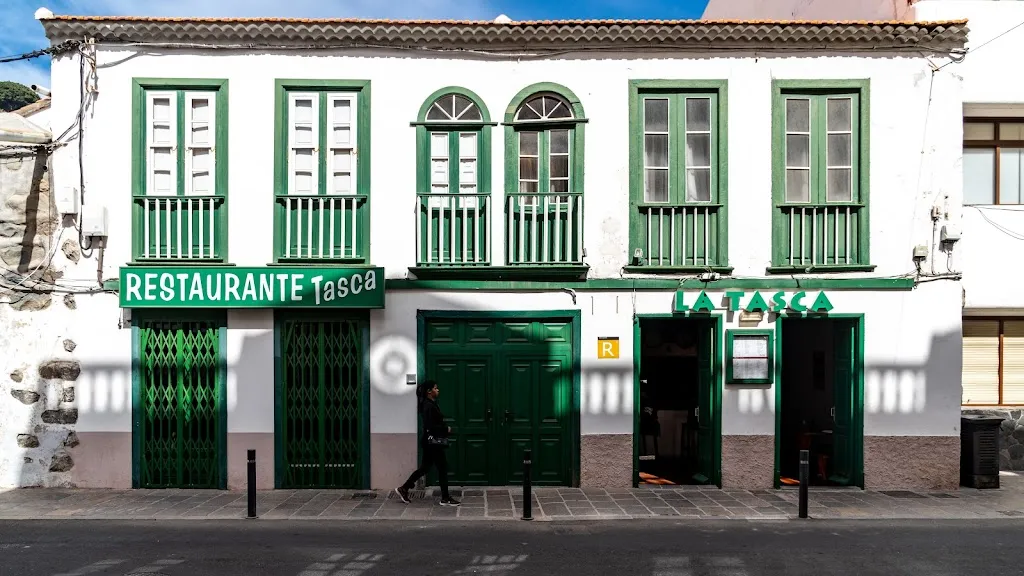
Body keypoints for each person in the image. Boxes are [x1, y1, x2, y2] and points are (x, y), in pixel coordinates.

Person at [394, 380, 460, 507]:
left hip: (429, 442)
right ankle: (445, 498)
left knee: (425, 467)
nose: (438, 390)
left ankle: (404, 488)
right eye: (435, 388)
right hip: (433, 443)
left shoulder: (429, 404)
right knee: (442, 468)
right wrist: (445, 429)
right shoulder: (428, 406)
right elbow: (431, 426)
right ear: (429, 391)